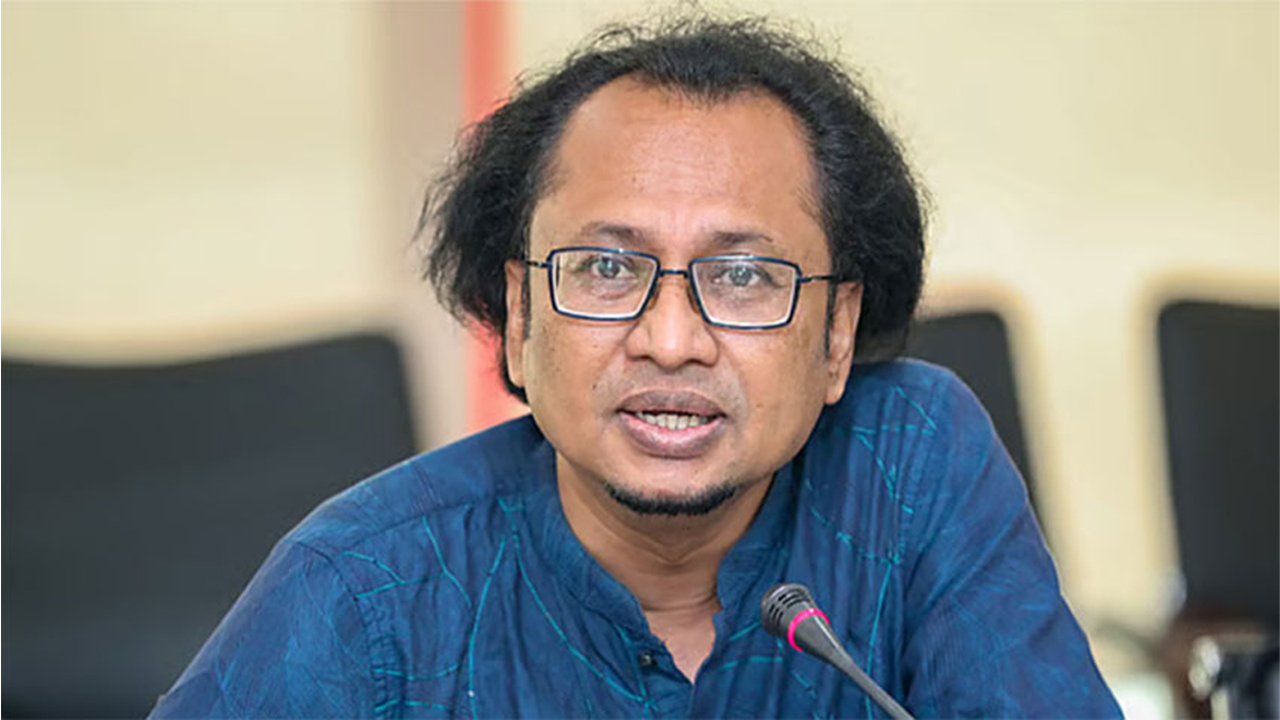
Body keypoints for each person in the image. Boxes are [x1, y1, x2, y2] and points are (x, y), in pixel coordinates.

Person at [152, 15, 1121, 718]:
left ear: (835, 336)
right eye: (607, 269)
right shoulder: (363, 588)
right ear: (520, 319)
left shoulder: (910, 467)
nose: (670, 339)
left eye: (742, 276)